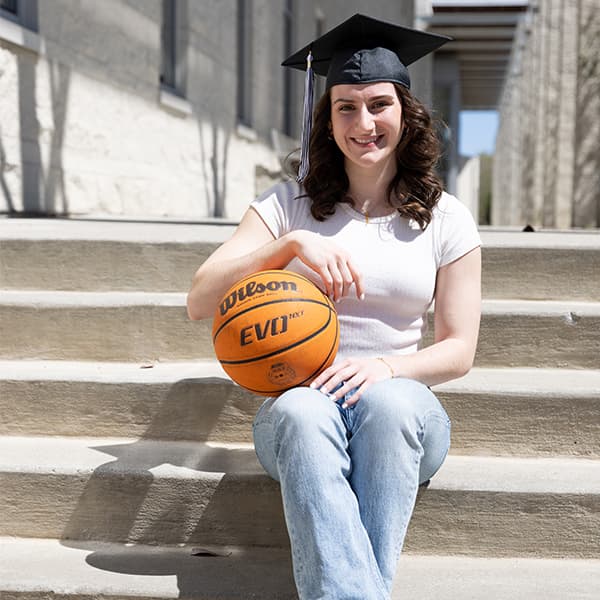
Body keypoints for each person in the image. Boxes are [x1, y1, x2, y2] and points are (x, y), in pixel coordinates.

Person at [187, 13, 481, 600]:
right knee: (300, 411)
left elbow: (458, 350)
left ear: (406, 113)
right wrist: (288, 245)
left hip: (402, 421)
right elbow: (200, 299)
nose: (363, 122)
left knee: (392, 405)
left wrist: (386, 368)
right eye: (345, 107)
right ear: (326, 119)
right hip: (301, 417)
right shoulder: (287, 205)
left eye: (378, 104)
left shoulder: (445, 218)